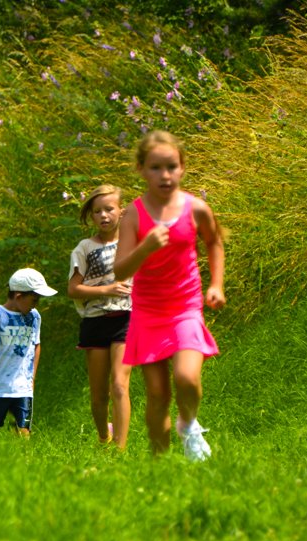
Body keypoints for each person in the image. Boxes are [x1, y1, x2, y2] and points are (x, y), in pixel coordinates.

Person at [113, 130, 226, 460]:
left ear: (182, 168)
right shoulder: (134, 215)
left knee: (187, 378)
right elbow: (120, 271)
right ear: (141, 170)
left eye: (171, 167)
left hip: (185, 308)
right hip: (148, 312)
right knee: (158, 394)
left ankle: (188, 424)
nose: (165, 175)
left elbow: (214, 242)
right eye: (155, 168)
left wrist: (216, 284)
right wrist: (145, 247)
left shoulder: (196, 208)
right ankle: (158, 463)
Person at [67, 184, 133, 450]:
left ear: (121, 211)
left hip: (126, 320)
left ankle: (120, 450)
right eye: (97, 211)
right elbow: (73, 290)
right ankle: (104, 438)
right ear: (91, 217)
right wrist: (106, 289)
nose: (104, 215)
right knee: (98, 396)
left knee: (119, 385)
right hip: (94, 321)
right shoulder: (84, 248)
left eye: (109, 209)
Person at [0, 268, 57, 436]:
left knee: (24, 431)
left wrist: (32, 377)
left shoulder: (34, 316)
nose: (36, 304)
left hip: (23, 387)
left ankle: (25, 460)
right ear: (18, 296)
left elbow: (36, 344)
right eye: (34, 300)